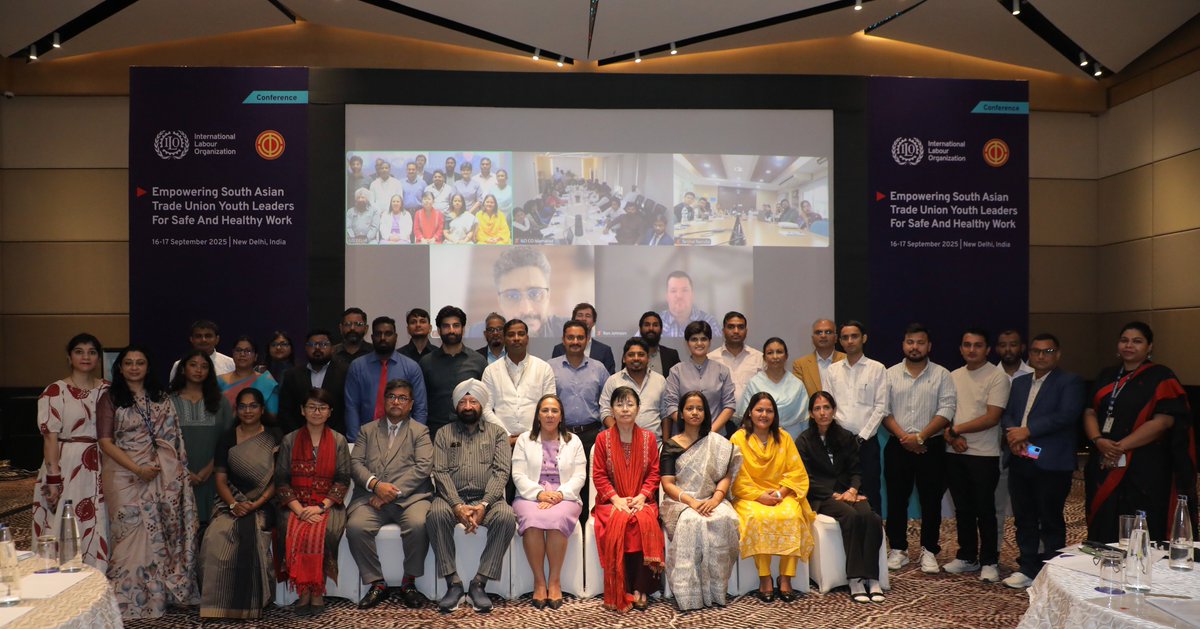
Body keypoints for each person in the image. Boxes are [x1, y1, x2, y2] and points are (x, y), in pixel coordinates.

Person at [98, 345, 199, 619]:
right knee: (128, 536)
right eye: (128, 362)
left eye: (139, 362)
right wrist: (137, 468)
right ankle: (125, 602)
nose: (133, 367)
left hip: (158, 474)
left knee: (159, 537)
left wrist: (158, 467)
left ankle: (156, 599)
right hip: (123, 474)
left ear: (147, 367)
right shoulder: (110, 398)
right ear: (120, 367)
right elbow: (105, 442)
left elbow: (172, 437)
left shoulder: (160, 398)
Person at [1083, 321, 1195, 543]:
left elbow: (1162, 422)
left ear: (1149, 347)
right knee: (1105, 518)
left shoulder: (1162, 377)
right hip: (1104, 458)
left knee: (1141, 520)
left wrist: (1119, 447)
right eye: (1124, 340)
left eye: (1137, 341)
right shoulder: (1106, 375)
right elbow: (1090, 412)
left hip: (1145, 465)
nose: (1129, 346)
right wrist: (1098, 440)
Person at [1000, 333, 1085, 589]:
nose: (1040, 356)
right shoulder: (1020, 382)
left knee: (1050, 518)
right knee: (1024, 517)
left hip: (1052, 462)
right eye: (1036, 351)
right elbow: (1008, 415)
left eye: (1047, 351)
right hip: (1020, 457)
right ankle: (1027, 566)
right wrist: (1015, 437)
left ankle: (1052, 571)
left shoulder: (1069, 382)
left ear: (1057, 355)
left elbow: (1066, 415)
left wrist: (1028, 431)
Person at [427, 380, 517, 614]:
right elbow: (440, 471)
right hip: (450, 498)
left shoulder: (498, 434)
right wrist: (456, 505)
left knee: (506, 517)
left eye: (473, 401)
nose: (468, 406)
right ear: (456, 405)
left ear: (481, 405)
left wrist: (484, 504)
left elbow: (501, 472)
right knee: (435, 514)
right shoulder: (444, 433)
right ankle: (453, 582)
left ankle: (480, 582)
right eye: (463, 401)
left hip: (488, 499)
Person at [347, 379, 433, 610]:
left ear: (411, 404)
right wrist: (375, 485)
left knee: (419, 524)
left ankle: (409, 582)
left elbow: (423, 467)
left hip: (411, 498)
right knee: (356, 526)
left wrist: (389, 492)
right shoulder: (367, 430)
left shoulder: (420, 431)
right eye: (392, 397)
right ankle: (377, 583)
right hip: (371, 498)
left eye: (402, 398)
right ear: (384, 401)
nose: (396, 402)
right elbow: (355, 464)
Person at [198, 387, 282, 619]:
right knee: (215, 535)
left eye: (253, 406)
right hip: (230, 502)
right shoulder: (227, 437)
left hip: (264, 503)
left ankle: (252, 603)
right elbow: (221, 480)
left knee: (252, 533)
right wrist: (235, 504)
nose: (248, 411)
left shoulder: (274, 436)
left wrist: (255, 504)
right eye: (243, 406)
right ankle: (218, 604)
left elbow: (277, 480)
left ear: (262, 409)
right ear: (237, 409)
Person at [796, 391, 885, 603]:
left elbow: (856, 470)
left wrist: (853, 490)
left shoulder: (846, 437)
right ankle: (854, 577)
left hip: (849, 493)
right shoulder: (804, 441)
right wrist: (833, 494)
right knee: (850, 516)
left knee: (871, 517)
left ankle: (872, 577)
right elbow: (805, 477)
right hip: (822, 496)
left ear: (834, 411)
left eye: (826, 407)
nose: (822, 412)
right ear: (811, 413)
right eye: (817, 408)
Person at [881, 323, 956, 574]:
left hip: (931, 446)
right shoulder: (889, 374)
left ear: (929, 346)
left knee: (930, 500)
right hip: (898, 444)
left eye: (920, 342)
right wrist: (905, 438)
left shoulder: (942, 375)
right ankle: (898, 549)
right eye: (910, 342)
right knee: (896, 500)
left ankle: (929, 550)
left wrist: (920, 437)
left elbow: (946, 409)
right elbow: (884, 411)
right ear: (903, 344)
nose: (915, 347)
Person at [32, 333, 110, 572]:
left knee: (99, 520)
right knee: (64, 521)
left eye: (92, 352)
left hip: (102, 462)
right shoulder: (56, 391)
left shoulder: (108, 390)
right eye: (79, 351)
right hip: (65, 463)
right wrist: (54, 478)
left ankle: (97, 578)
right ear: (69, 357)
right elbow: (50, 437)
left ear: (98, 358)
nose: (86, 356)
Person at [730, 391, 815, 602]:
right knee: (759, 518)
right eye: (759, 410)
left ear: (774, 414)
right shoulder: (738, 438)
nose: (764, 415)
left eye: (769, 411)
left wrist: (780, 493)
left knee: (792, 516)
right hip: (750, 496)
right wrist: (760, 496)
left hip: (781, 493)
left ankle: (786, 578)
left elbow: (796, 472)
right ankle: (765, 576)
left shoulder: (783, 437)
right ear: (750, 412)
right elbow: (735, 477)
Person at [660, 391, 741, 611]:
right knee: (691, 522)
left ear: (705, 413)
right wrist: (691, 502)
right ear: (682, 414)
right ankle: (688, 594)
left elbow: (726, 474)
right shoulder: (671, 445)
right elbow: (667, 484)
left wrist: (716, 498)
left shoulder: (717, 443)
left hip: (712, 498)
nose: (695, 412)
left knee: (724, 518)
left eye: (699, 408)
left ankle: (716, 589)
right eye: (690, 408)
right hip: (680, 501)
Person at [276, 388, 352, 616]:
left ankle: (316, 590)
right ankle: (304, 591)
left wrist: (320, 507)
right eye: (311, 407)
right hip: (295, 504)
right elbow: (281, 481)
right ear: (302, 410)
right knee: (290, 527)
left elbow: (342, 478)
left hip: (328, 505)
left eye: (322, 407)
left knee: (327, 530)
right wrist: (299, 510)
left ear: (330, 412)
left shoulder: (339, 440)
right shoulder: (289, 440)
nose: (317, 412)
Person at [942, 329, 1010, 583]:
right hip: (954, 452)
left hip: (984, 454)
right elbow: (946, 411)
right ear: (960, 349)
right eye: (967, 345)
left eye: (978, 345)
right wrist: (950, 436)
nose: (972, 350)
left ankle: (990, 560)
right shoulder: (953, 376)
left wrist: (957, 430)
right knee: (963, 508)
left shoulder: (997, 377)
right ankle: (967, 556)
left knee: (985, 509)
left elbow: (992, 417)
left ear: (987, 349)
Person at [592, 386, 664, 612]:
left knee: (643, 521)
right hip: (611, 502)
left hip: (642, 500)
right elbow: (599, 475)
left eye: (630, 404)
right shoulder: (603, 439)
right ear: (612, 409)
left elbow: (654, 473)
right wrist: (616, 500)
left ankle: (641, 588)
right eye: (620, 404)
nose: (625, 409)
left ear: (638, 409)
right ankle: (623, 586)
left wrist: (642, 496)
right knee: (623, 521)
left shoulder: (649, 438)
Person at [511, 395, 586, 609]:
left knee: (556, 518)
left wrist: (560, 494)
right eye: (545, 410)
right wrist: (539, 494)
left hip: (566, 496)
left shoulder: (574, 441)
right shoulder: (525, 440)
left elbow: (580, 476)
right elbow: (518, 475)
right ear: (538, 415)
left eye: (554, 411)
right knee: (533, 520)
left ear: (561, 416)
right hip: (529, 495)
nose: (550, 415)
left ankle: (554, 582)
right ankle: (539, 581)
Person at [824, 320, 889, 513]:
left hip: (867, 442)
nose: (850, 341)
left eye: (854, 336)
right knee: (840, 491)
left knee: (870, 491)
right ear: (839, 341)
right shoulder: (833, 370)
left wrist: (862, 436)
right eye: (845, 337)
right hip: (839, 442)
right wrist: (839, 434)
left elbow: (881, 407)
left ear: (864, 338)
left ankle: (875, 539)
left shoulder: (877, 369)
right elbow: (828, 406)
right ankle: (845, 539)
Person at [169, 349, 235, 524]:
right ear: (183, 369)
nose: (199, 370)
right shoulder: (168, 401)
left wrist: (211, 467)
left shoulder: (221, 402)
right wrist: (183, 471)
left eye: (204, 366)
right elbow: (162, 441)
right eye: (193, 365)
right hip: (176, 476)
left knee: (210, 530)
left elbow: (229, 440)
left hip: (213, 476)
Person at [343, 316, 429, 441]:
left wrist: (413, 438)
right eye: (378, 334)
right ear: (372, 337)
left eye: (388, 334)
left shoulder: (411, 367)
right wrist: (355, 440)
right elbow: (351, 406)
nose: (383, 338)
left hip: (403, 438)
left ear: (396, 337)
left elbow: (420, 407)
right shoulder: (357, 367)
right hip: (366, 437)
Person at [481, 319, 557, 443]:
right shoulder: (490, 371)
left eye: (521, 334)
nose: (516, 338)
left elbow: (549, 406)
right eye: (511, 335)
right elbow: (486, 408)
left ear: (527, 338)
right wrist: (505, 435)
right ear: (504, 339)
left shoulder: (543, 368)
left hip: (536, 439)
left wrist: (530, 435)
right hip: (501, 440)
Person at [466, 246, 568, 338]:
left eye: (535, 294)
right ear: (500, 302)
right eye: (511, 296)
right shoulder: (476, 336)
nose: (526, 310)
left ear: (548, 296)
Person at [993, 328, 1034, 550]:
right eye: (1003, 344)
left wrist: (1021, 438)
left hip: (1027, 449)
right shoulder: (990, 374)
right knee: (995, 507)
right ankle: (994, 553)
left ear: (1022, 347)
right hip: (996, 449)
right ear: (997, 348)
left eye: (1013, 344)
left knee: (1028, 506)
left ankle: (1032, 556)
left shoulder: (1035, 374)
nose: (1008, 349)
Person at [662, 320, 736, 439]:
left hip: (715, 436)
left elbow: (729, 405)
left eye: (703, 339)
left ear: (710, 342)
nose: (699, 343)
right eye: (694, 339)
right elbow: (671, 405)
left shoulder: (722, 370)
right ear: (687, 343)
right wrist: (690, 430)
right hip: (684, 437)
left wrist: (710, 432)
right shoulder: (676, 371)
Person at [421, 305, 487, 436]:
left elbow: (485, 400)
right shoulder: (426, 362)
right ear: (439, 330)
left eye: (456, 325)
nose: (451, 330)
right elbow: (421, 402)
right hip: (435, 432)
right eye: (446, 326)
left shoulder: (478, 361)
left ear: (463, 329)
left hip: (471, 432)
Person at [278, 328, 348, 434]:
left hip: (335, 437)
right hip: (299, 438)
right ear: (306, 348)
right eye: (312, 344)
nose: (318, 348)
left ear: (332, 348)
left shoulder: (345, 373)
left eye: (323, 344)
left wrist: (334, 436)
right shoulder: (292, 375)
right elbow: (285, 411)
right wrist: (298, 435)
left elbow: (347, 409)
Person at [741, 337, 810, 439]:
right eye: (770, 353)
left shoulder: (797, 384)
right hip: (760, 437)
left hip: (792, 438)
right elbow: (746, 417)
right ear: (764, 357)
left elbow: (805, 420)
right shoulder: (754, 383)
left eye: (779, 352)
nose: (775, 356)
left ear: (786, 356)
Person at [601, 338, 668, 438]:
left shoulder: (660, 380)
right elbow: (605, 411)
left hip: (654, 444)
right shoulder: (613, 381)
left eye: (641, 354)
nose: (636, 358)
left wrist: (665, 444)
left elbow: (665, 414)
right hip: (621, 442)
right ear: (624, 358)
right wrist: (620, 433)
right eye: (631, 355)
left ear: (648, 358)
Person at [709, 311, 764, 407]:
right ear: (723, 331)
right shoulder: (710, 358)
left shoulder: (759, 358)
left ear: (746, 331)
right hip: (720, 418)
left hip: (750, 419)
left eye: (741, 327)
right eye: (731, 327)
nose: (736, 331)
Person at [217, 336, 280, 414]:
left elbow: (273, 415)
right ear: (232, 354)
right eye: (238, 350)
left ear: (256, 356)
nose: (242, 354)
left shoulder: (266, 382)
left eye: (248, 351)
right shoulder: (219, 381)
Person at [551, 302, 617, 374]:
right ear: (573, 320)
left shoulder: (604, 351)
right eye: (580, 315)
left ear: (594, 322)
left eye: (588, 316)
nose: (583, 319)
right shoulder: (559, 349)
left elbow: (609, 380)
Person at [792, 318, 845, 396]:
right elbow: (798, 397)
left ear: (836, 338)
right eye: (819, 332)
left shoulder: (847, 360)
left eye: (828, 332)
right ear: (812, 338)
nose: (823, 335)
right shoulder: (800, 365)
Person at [659, 270, 720, 337]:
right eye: (673, 291)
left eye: (684, 290)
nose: (679, 295)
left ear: (692, 295)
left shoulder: (710, 323)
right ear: (667, 296)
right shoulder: (656, 323)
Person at [169, 319, 235, 380]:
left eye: (208, 336)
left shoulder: (231, 364)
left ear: (217, 339)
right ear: (191, 339)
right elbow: (174, 391)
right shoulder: (180, 365)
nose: (203, 340)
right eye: (198, 336)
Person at [638, 311, 680, 376]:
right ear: (640, 329)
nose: (651, 328)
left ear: (661, 329)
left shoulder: (671, 355)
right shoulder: (631, 355)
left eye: (655, 325)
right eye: (647, 325)